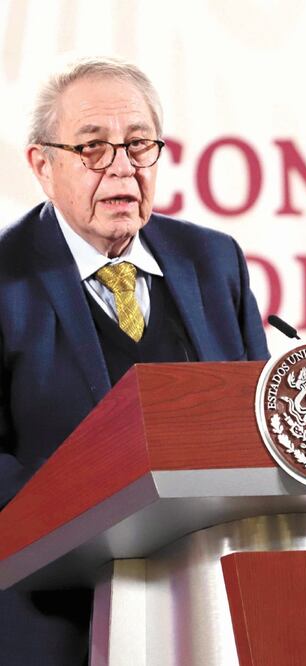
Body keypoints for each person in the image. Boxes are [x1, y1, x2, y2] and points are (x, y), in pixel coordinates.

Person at [0, 57, 269, 664]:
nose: (122, 166)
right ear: (42, 165)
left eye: (139, 144)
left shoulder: (212, 260)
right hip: (57, 616)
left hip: (212, 607)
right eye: (93, 148)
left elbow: (257, 422)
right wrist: (85, 519)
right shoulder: (6, 278)